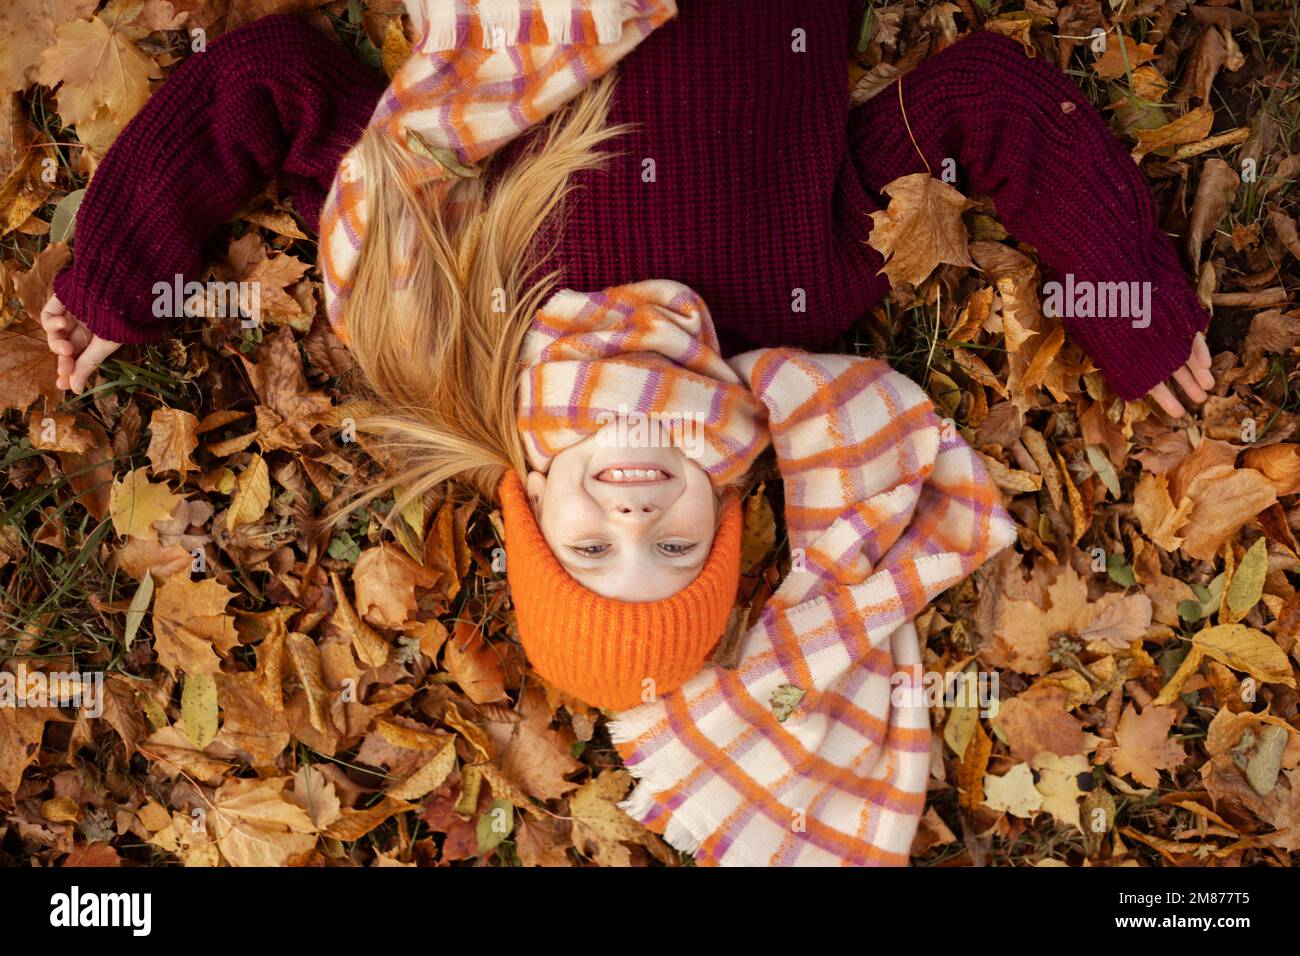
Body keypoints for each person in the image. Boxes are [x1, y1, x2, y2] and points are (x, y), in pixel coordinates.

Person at [36, 1, 1202, 864]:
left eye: (589, 550)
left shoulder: (431, 290)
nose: (635, 520)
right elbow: (985, 100)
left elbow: (269, 80)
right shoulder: (810, 282)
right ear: (731, 508)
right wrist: (1127, 295)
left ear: (530, 490)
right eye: (675, 551)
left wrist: (116, 272)